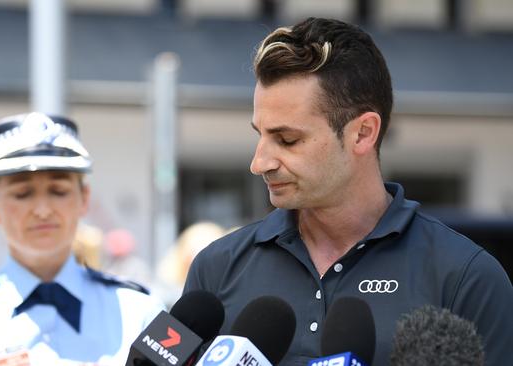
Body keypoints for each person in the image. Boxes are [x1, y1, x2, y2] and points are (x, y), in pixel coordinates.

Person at [183, 17, 512, 366]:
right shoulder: (216, 268)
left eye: (287, 139)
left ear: (362, 133)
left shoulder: (466, 279)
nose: (259, 162)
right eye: (259, 135)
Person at [0, 112, 164, 365]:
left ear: (84, 198)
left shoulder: (138, 313)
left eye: (58, 191)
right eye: (22, 193)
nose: (42, 210)